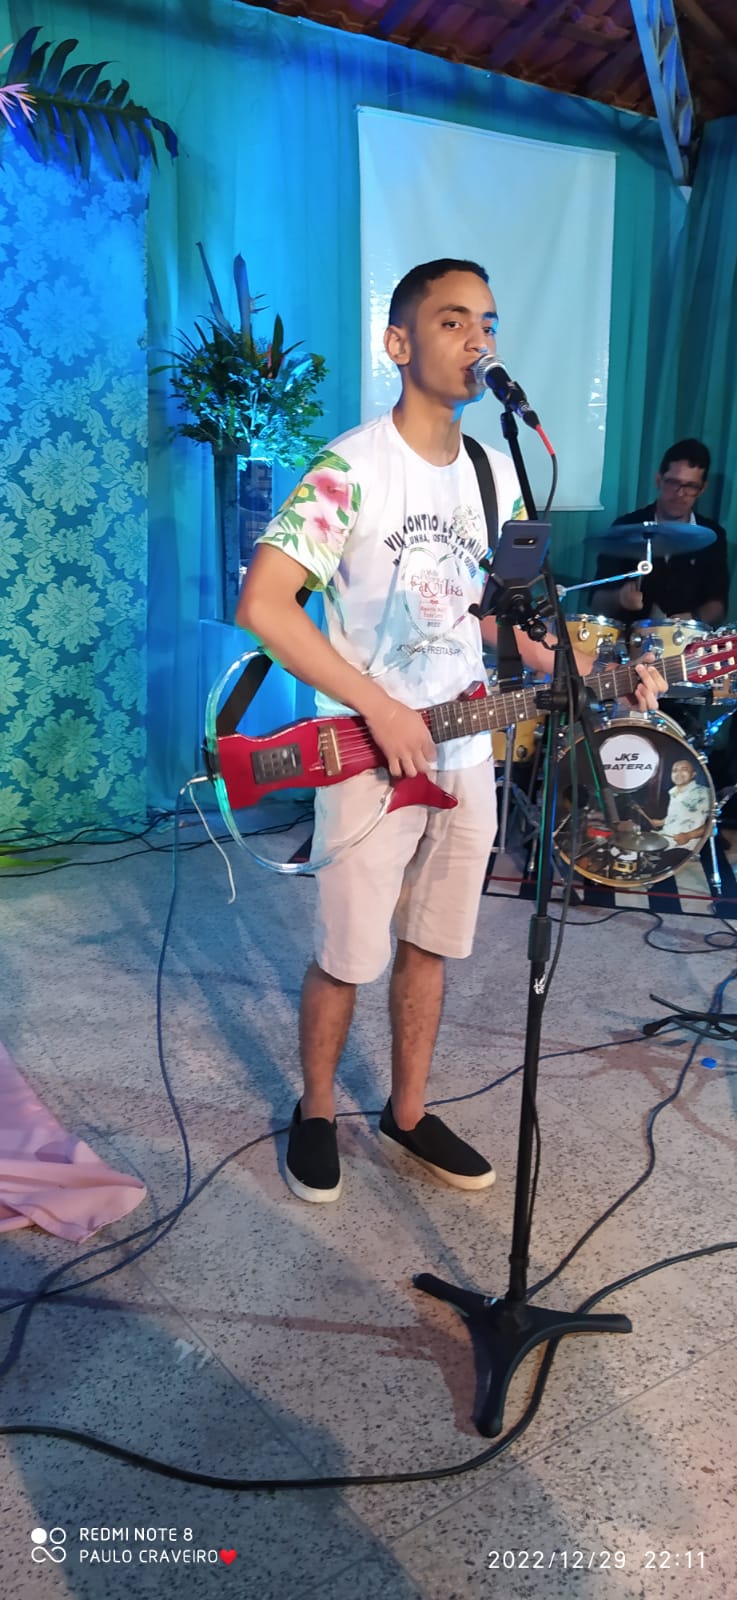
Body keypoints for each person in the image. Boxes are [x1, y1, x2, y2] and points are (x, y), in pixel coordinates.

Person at [236, 258, 665, 1204]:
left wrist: (589, 671)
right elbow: (264, 604)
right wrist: (378, 705)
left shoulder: (492, 472)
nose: (479, 339)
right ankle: (317, 1111)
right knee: (348, 954)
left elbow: (499, 620)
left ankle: (407, 1110)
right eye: (452, 320)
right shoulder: (349, 468)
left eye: (489, 322)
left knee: (431, 944)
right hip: (368, 755)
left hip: (467, 749)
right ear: (397, 342)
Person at [590, 439, 729, 627]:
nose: (680, 493)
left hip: (688, 640)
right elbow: (597, 602)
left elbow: (718, 605)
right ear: (658, 480)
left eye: (690, 486)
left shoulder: (713, 535)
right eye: (673, 483)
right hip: (631, 639)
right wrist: (619, 598)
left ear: (702, 489)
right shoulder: (626, 526)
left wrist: (693, 618)